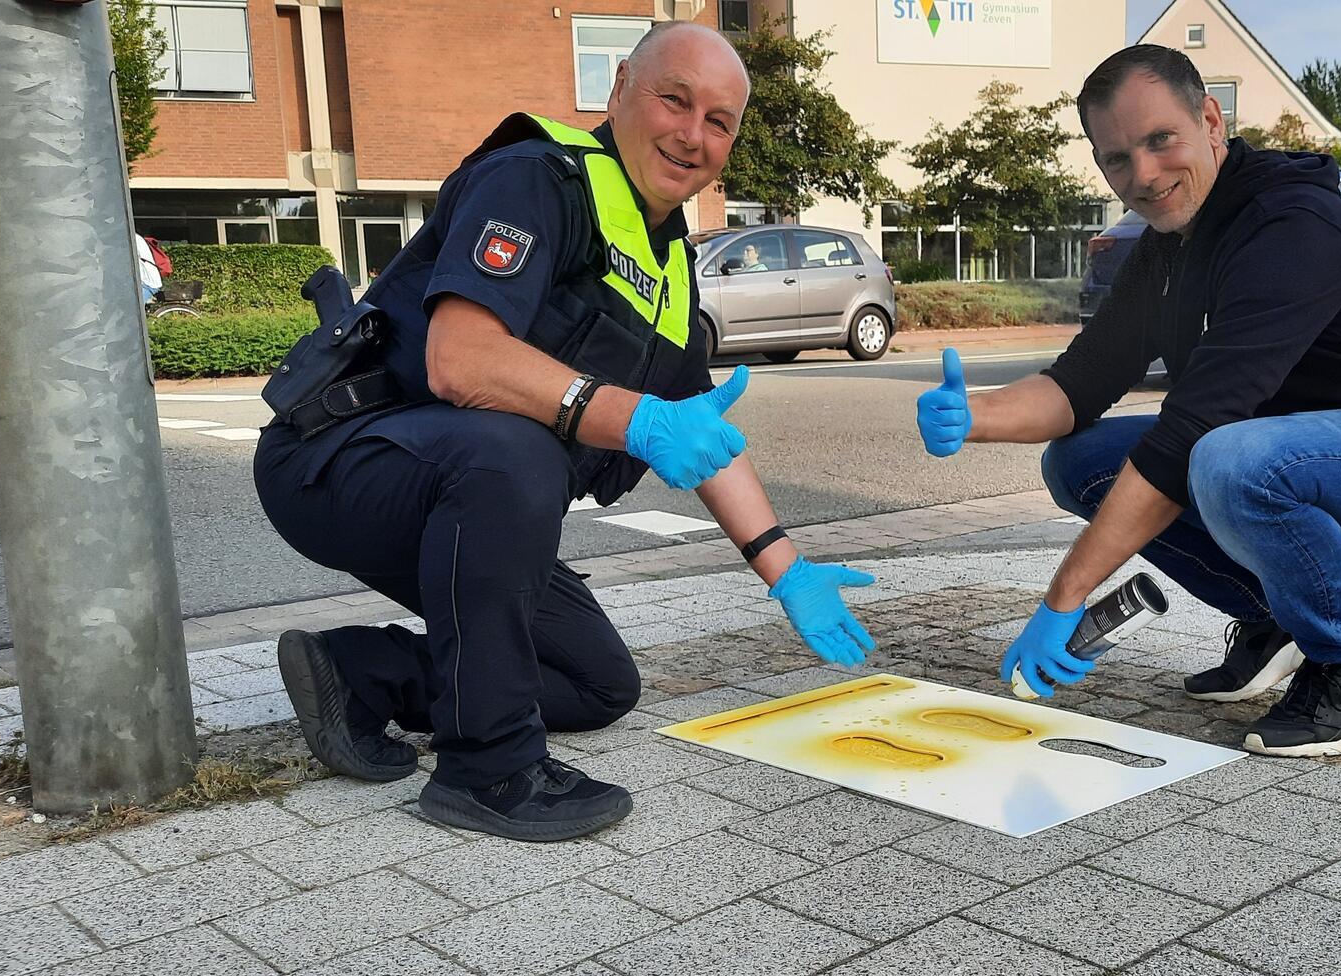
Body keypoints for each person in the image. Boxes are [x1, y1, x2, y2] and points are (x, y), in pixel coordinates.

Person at [254, 21, 876, 842]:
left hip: (467, 498)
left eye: (719, 121)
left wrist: (786, 572)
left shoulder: (671, 269)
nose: (693, 135)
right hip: (341, 463)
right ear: (619, 88)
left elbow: (701, 433)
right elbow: (460, 360)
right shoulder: (535, 178)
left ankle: (363, 674)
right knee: (518, 452)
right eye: (674, 100)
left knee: (595, 681)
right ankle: (489, 770)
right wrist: (633, 417)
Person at [916, 44, 1341, 758]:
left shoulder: (1293, 227)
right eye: (1118, 158)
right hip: (1288, 461)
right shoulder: (1171, 243)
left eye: (1161, 141)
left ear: (1211, 120)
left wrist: (1063, 599)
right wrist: (975, 414)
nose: (1144, 175)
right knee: (1081, 462)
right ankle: (1274, 621)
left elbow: (1191, 432)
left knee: (1224, 457)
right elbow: (1082, 382)